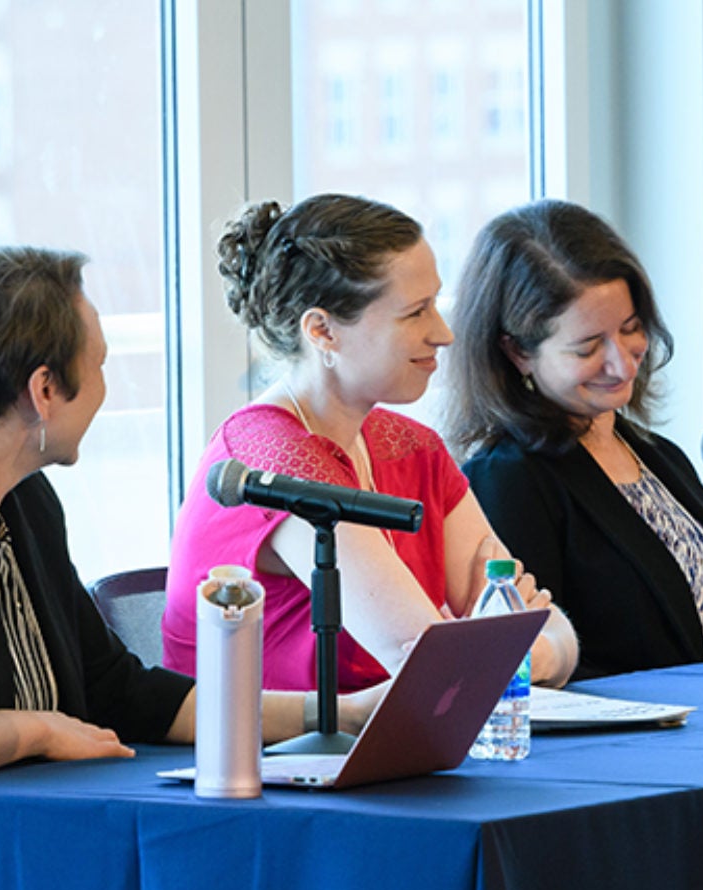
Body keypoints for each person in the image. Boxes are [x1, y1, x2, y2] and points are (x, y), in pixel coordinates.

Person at [0, 247, 377, 884]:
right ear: (44, 390)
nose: (107, 388)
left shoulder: (23, 495)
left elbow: (115, 690)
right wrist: (39, 732)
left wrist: (334, 714)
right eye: (101, 364)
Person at [162, 195, 578, 693]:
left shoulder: (414, 447)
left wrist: (515, 648)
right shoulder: (272, 460)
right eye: (415, 313)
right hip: (262, 761)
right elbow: (436, 667)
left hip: (389, 746)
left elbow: (553, 635)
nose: (443, 333)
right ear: (322, 331)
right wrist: (505, 646)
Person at [446, 199, 703, 680]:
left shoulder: (656, 455)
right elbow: (538, 674)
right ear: (518, 352)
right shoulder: (508, 479)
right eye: (587, 347)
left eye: (631, 329)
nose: (622, 363)